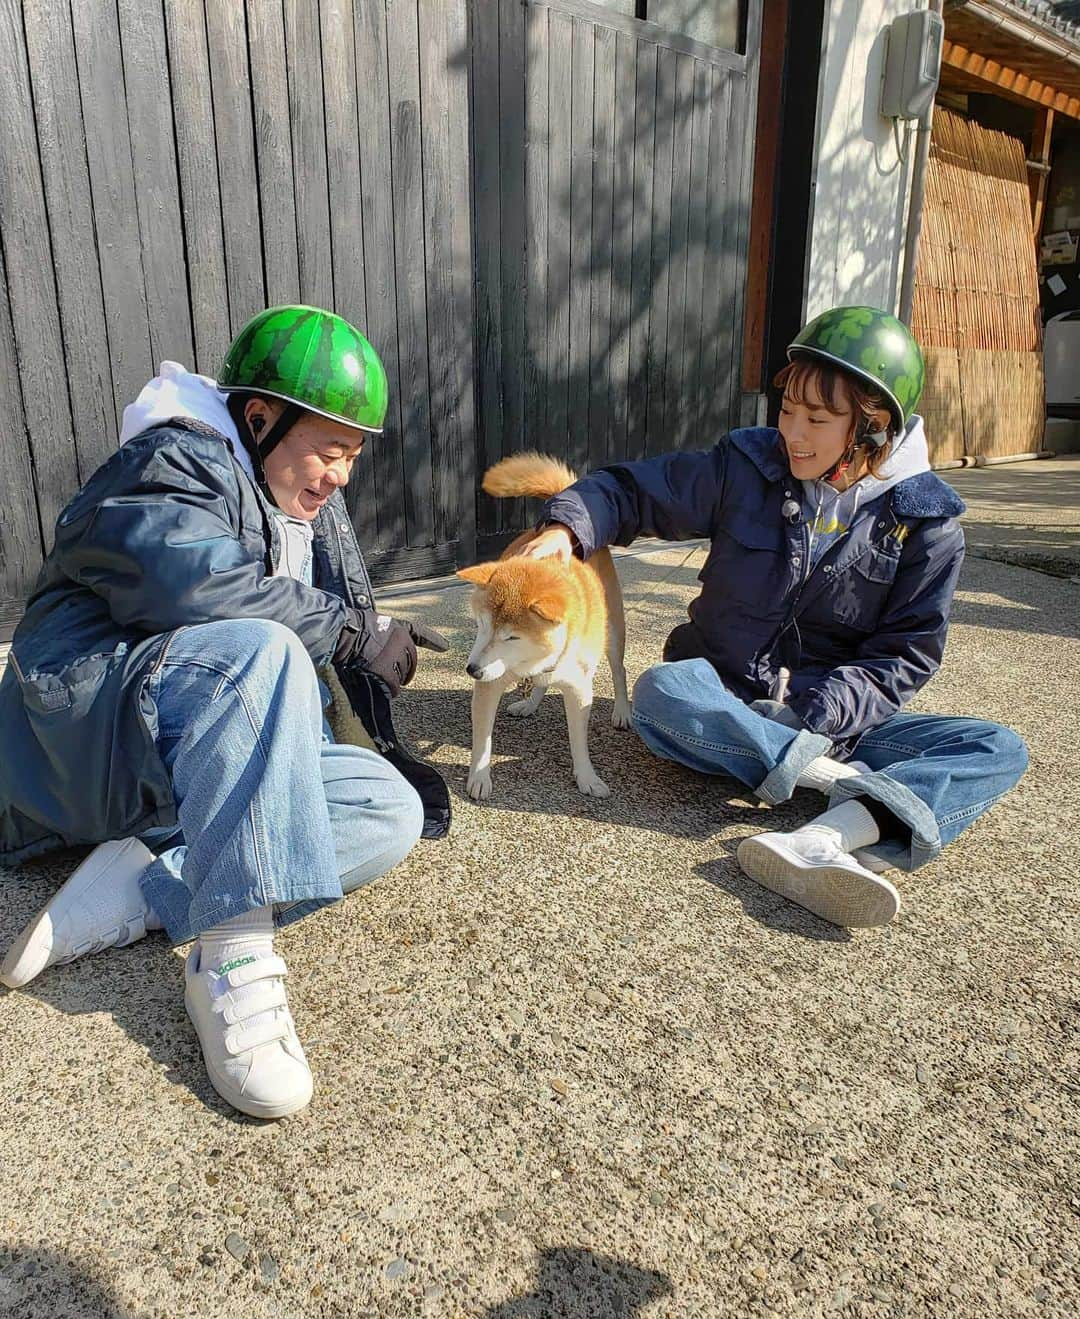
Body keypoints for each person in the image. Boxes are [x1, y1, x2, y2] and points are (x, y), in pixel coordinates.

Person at [0, 304, 450, 1118]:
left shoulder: (277, 505)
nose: (342, 474)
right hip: (89, 732)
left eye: (353, 456)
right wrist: (351, 631)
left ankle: (150, 885)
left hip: (167, 761)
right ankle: (231, 956)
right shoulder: (175, 457)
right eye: (330, 450)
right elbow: (191, 588)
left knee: (387, 808)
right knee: (265, 648)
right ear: (259, 417)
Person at [518, 306, 1028, 929]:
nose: (793, 432)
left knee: (997, 748)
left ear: (872, 428)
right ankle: (847, 789)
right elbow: (633, 490)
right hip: (723, 697)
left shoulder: (927, 525)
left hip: (837, 716)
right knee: (662, 692)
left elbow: (905, 656)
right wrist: (564, 528)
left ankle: (825, 835)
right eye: (787, 410)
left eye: (817, 418)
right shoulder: (745, 465)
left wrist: (818, 714)